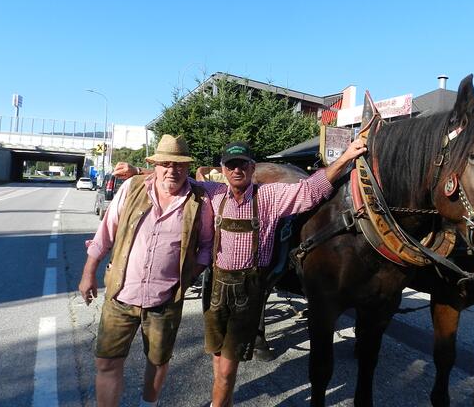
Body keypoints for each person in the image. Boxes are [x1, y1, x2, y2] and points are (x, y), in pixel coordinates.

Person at [114, 138, 367, 407]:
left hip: (248, 291)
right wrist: (137, 172)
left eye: (242, 164)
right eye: (231, 165)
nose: (237, 170)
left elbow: (311, 189)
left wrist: (346, 157)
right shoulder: (212, 193)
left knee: (226, 369)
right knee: (218, 362)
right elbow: (178, 178)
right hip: (216, 291)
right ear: (223, 169)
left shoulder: (270, 196)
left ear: (252, 168)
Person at [79, 134, 214, 407]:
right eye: (165, 163)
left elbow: (206, 247)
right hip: (121, 295)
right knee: (106, 361)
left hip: (165, 300)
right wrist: (88, 273)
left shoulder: (200, 199)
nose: (172, 170)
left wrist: (186, 280)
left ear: (187, 167)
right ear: (155, 165)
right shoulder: (132, 187)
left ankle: (147, 404)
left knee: (158, 361)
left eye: (178, 165)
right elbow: (105, 233)